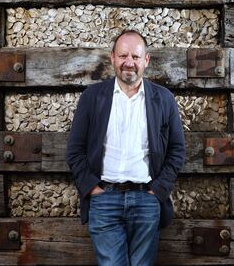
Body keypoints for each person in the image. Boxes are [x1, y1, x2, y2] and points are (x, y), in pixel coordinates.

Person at [66, 29, 186, 266]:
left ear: (146, 60)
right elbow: (75, 149)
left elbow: (177, 149)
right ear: (112, 58)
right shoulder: (92, 97)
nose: (129, 63)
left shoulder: (163, 99)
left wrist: (158, 190)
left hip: (147, 199)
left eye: (135, 57)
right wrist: (91, 188)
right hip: (104, 199)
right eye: (123, 56)